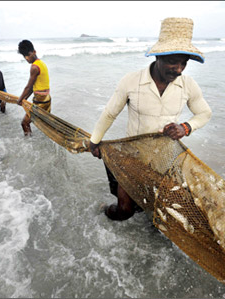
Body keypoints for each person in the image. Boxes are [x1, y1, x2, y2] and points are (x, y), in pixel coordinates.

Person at [89, 17, 212, 221]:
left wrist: (186, 127)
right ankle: (105, 210)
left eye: (184, 63)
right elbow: (110, 113)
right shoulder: (131, 81)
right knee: (124, 211)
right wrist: (94, 141)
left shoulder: (188, 85)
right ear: (158, 56)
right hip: (132, 158)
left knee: (162, 216)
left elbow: (204, 113)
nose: (179, 69)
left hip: (165, 162)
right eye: (174, 62)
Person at [16, 40, 51, 136]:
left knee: (24, 123)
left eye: (28, 55)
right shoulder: (41, 63)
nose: (27, 58)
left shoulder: (34, 67)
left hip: (40, 101)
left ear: (34, 51)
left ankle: (29, 143)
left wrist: (19, 99)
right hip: (47, 99)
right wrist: (25, 98)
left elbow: (28, 87)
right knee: (45, 123)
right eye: (24, 56)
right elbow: (33, 87)